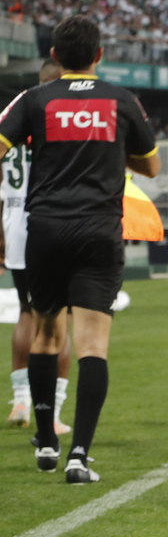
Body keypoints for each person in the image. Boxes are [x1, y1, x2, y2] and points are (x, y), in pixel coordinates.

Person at [0, 14, 159, 483]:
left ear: (53, 55)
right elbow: (149, 166)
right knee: (93, 345)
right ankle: (78, 455)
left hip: (45, 229)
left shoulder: (35, 99)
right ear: (99, 55)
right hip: (98, 230)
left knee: (47, 334)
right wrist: (108, 150)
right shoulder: (121, 101)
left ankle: (47, 442)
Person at [6, 58, 72, 433]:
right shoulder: (59, 115)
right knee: (58, 319)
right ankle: (56, 412)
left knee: (27, 313)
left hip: (14, 223)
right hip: (52, 222)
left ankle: (20, 401)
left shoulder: (12, 114)